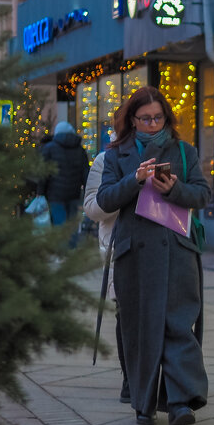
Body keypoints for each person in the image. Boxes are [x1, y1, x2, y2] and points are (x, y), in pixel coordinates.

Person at [97, 86, 212, 425]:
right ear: (132, 119)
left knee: (178, 325)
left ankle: (180, 402)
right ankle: (143, 403)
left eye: (157, 118)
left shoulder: (183, 150)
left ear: (166, 118)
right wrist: (135, 180)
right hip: (136, 255)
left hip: (177, 252)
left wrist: (174, 188)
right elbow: (104, 200)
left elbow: (203, 194)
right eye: (144, 118)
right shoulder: (116, 155)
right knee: (139, 329)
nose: (151, 124)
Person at [84, 148, 129, 405]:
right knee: (126, 315)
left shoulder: (166, 153)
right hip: (121, 248)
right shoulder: (107, 159)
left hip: (159, 249)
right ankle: (131, 379)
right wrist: (128, 189)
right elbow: (91, 208)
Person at [39, 121, 90, 236]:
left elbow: (44, 173)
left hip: (55, 194)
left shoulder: (49, 148)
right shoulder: (80, 150)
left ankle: (62, 252)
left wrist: (40, 192)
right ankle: (71, 250)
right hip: (74, 194)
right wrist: (87, 193)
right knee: (72, 226)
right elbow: (86, 173)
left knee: (59, 226)